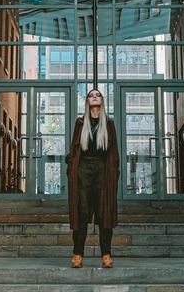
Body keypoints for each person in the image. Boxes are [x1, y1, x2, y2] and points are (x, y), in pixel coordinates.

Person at [65, 89, 120, 269]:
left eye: (97, 95)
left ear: (102, 100)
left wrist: (114, 174)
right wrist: (72, 168)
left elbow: (114, 154)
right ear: (87, 101)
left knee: (104, 214)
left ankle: (106, 255)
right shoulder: (80, 123)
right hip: (83, 170)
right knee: (81, 213)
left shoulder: (109, 124)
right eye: (91, 95)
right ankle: (78, 254)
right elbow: (74, 150)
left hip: (102, 171)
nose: (94, 96)